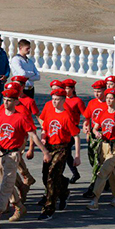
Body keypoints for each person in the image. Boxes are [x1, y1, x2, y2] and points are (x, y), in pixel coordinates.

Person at [0, 88, 48, 229]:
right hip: (0, 154)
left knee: (5, 186)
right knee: (6, 183)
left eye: (9, 100)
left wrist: (44, 151)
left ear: (15, 101)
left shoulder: (21, 117)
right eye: (5, 100)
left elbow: (33, 135)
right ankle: (19, 206)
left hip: (13, 155)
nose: (6, 102)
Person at [36, 88, 80, 220]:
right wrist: (43, 137)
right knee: (45, 176)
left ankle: (49, 208)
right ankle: (64, 189)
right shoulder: (49, 111)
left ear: (63, 100)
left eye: (57, 100)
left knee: (52, 175)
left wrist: (77, 156)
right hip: (49, 147)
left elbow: (76, 136)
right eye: (53, 99)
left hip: (62, 148)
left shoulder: (67, 116)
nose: (54, 102)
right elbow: (44, 128)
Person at [88, 89, 115, 211]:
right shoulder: (102, 113)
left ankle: (95, 199)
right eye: (107, 98)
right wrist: (96, 133)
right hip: (104, 146)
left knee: (102, 172)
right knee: (110, 172)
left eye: (111, 98)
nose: (108, 100)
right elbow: (95, 128)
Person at [82, 80, 107, 199]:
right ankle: (113, 167)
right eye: (95, 91)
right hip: (93, 133)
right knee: (92, 158)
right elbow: (87, 118)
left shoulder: (108, 103)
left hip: (104, 134)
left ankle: (93, 186)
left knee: (97, 161)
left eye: (99, 91)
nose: (97, 94)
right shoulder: (92, 103)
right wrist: (86, 127)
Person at [63, 79, 86, 184]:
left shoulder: (78, 101)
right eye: (64, 88)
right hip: (63, 130)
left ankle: (73, 173)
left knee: (66, 152)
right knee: (66, 154)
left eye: (68, 88)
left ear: (73, 89)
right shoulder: (61, 99)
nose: (66, 90)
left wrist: (87, 126)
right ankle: (75, 173)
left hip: (73, 129)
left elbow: (86, 115)